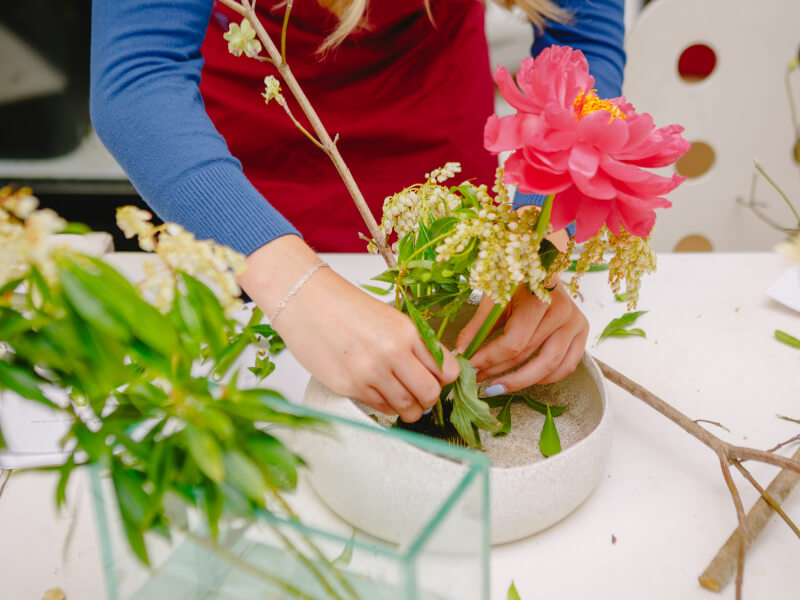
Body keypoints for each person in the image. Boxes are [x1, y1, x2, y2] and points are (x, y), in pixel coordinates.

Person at [90, 0, 625, 423]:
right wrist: (290, 283)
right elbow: (140, 74)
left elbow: (580, 37)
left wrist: (535, 238)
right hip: (234, 169)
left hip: (435, 139)